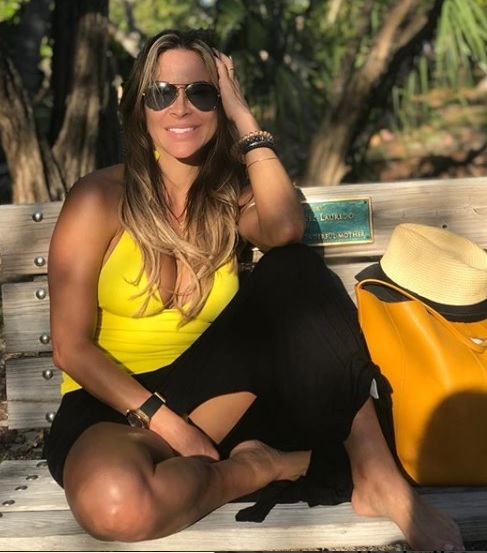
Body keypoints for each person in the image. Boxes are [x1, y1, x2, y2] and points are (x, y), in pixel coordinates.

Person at [43, 28, 464, 550]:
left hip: (213, 394)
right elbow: (71, 348)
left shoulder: (231, 197)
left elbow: (284, 229)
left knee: (295, 268)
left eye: (201, 92)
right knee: (115, 504)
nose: (181, 108)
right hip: (113, 403)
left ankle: (379, 478)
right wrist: (168, 425)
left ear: (219, 102)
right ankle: (259, 467)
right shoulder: (99, 198)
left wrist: (245, 121)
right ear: (139, 106)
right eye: (161, 93)